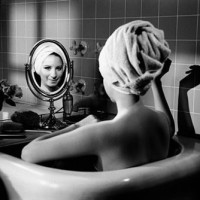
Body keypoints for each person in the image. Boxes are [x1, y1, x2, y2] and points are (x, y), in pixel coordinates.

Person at [21, 20, 175, 171]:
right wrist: (155, 80)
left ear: (113, 77)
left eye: (104, 75)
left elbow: (28, 153)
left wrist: (79, 126)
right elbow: (170, 125)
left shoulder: (102, 133)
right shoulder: (160, 122)